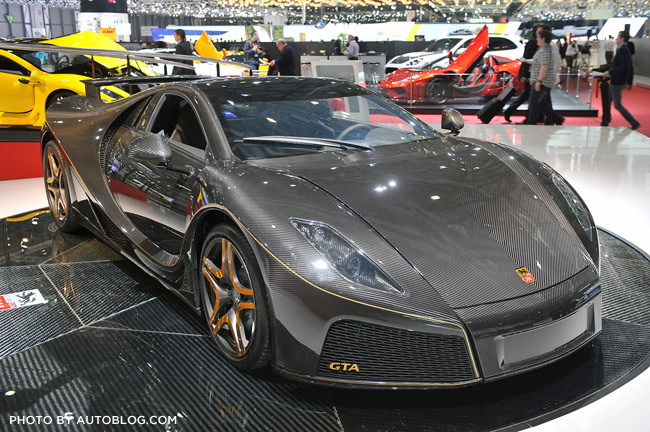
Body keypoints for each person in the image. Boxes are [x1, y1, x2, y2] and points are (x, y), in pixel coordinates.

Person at [525, 28, 564, 125]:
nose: (537, 39)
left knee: (534, 103)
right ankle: (558, 119)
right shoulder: (544, 49)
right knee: (542, 103)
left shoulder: (545, 50)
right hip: (542, 80)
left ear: (543, 38)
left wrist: (539, 81)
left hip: (542, 81)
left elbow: (544, 66)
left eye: (538, 37)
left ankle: (531, 122)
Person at [603, 31, 640, 129]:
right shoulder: (622, 48)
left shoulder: (623, 49)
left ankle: (634, 122)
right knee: (609, 100)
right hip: (618, 80)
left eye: (618, 37)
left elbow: (624, 66)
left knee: (618, 105)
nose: (616, 39)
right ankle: (606, 119)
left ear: (622, 38)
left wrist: (610, 73)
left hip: (618, 81)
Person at [503, 24, 539, 122]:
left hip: (532, 72)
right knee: (527, 95)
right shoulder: (533, 42)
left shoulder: (536, 42)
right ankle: (510, 111)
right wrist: (523, 74)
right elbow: (526, 58)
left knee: (529, 96)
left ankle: (532, 116)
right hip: (530, 73)